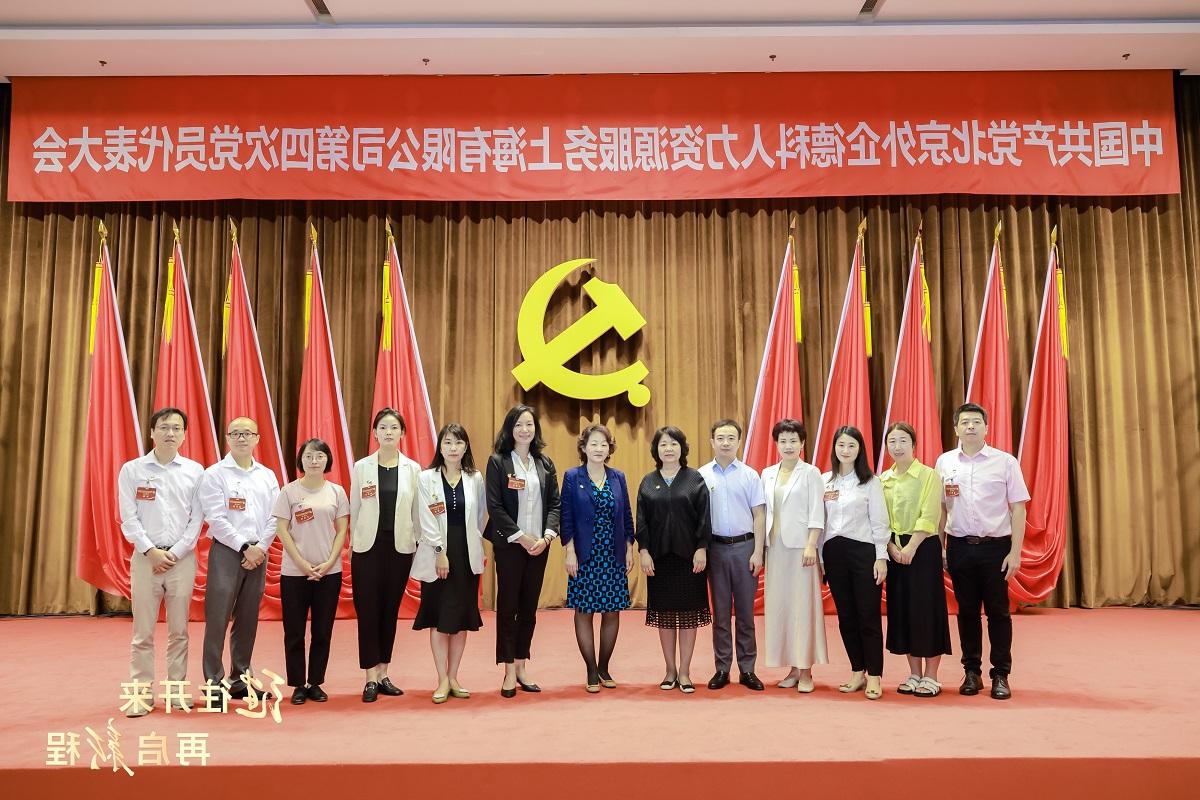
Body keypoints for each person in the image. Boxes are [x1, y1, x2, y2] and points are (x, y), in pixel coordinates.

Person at [935, 403, 1030, 701]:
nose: (971, 427)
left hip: (996, 548)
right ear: (956, 429)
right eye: (965, 422)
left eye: (976, 422)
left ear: (987, 428)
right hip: (960, 546)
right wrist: (940, 547)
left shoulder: (1005, 462)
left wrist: (1015, 552)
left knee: (998, 613)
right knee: (966, 612)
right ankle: (971, 672)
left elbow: (1018, 508)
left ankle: (1000, 673)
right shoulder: (945, 462)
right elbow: (939, 508)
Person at [117, 407, 205, 716]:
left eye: (177, 428)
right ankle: (141, 694)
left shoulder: (195, 471)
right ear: (152, 432)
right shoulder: (132, 470)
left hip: (181, 559)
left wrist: (178, 551)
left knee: (179, 630)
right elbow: (128, 518)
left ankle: (176, 691)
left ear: (184, 434)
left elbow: (197, 518)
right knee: (143, 632)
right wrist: (151, 551)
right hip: (145, 559)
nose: (170, 433)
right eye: (164, 427)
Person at [199, 416, 280, 701]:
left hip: (259, 554)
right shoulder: (214, 474)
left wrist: (260, 548)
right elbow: (215, 518)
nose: (242, 438)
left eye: (247, 433)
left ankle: (240, 678)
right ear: (227, 439)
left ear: (258, 438)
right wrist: (245, 546)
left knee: (248, 618)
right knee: (218, 618)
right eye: (235, 433)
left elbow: (275, 516)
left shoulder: (267, 475)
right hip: (227, 552)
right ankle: (213, 682)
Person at [485, 404, 561, 698]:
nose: (524, 430)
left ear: (535, 429)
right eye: (518, 425)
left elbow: (554, 503)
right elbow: (496, 506)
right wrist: (521, 537)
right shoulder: (499, 462)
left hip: (540, 547)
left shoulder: (545, 463)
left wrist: (546, 536)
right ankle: (506, 670)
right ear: (509, 429)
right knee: (508, 608)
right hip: (510, 546)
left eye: (529, 424)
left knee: (529, 609)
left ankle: (521, 665)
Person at [350, 408, 421, 703]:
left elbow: (418, 511)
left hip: (400, 549)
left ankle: (384, 673)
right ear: (375, 433)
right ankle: (369, 676)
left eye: (394, 427)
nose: (389, 432)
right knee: (367, 611)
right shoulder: (362, 467)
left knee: (389, 611)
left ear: (402, 433)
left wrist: (416, 542)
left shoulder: (413, 469)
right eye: (383, 427)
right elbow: (355, 509)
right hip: (367, 549)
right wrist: (356, 540)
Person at [271, 438, 349, 705]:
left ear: (327, 459)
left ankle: (315, 682)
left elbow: (342, 531)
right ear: (300, 461)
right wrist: (303, 565)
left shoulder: (337, 492)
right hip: (294, 572)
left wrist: (328, 563)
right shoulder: (289, 492)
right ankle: (297, 684)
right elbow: (282, 530)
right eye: (308, 456)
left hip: (329, 572)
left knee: (322, 630)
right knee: (293, 631)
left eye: (319, 456)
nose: (314, 461)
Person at [412, 423, 486, 704]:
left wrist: (475, 544)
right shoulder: (426, 477)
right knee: (438, 616)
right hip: (436, 554)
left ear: (466, 447)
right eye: (447, 443)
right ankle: (441, 678)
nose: (453, 448)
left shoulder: (474, 477)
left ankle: (454, 676)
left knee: (461, 618)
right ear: (439, 447)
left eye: (458, 443)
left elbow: (480, 516)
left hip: (466, 553)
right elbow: (425, 517)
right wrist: (440, 550)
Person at [636, 426, 711, 694]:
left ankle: (685, 672)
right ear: (656, 450)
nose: (669, 448)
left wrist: (702, 548)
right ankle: (669, 670)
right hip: (659, 560)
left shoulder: (694, 479)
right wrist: (643, 550)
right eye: (663, 444)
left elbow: (704, 517)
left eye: (674, 444)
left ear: (682, 448)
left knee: (689, 616)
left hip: (690, 559)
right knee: (666, 617)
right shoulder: (648, 481)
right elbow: (641, 520)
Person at [561, 423, 635, 693]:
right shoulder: (572, 476)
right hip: (584, 555)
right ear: (583, 447)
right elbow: (566, 517)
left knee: (612, 611)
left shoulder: (618, 477)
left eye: (603, 444)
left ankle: (604, 667)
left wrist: (629, 547)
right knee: (584, 611)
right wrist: (569, 551)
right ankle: (591, 669)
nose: (599, 448)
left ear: (609, 448)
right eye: (593, 443)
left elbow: (626, 515)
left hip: (613, 553)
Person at [881, 422, 952, 698]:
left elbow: (930, 514)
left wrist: (911, 547)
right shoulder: (883, 480)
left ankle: (932, 675)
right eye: (892, 442)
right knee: (902, 610)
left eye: (903, 441)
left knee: (927, 610)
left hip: (922, 548)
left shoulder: (928, 476)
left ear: (914, 445)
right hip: (894, 550)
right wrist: (890, 547)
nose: (897, 447)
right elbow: (879, 518)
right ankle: (913, 672)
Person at [821, 425, 890, 700]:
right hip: (834, 555)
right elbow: (820, 522)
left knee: (868, 615)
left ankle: (875, 676)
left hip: (864, 553)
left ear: (859, 449)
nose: (845, 450)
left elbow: (880, 522)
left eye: (851, 445)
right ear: (834, 448)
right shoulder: (825, 481)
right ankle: (857, 671)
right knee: (846, 617)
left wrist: (881, 557)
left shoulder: (870, 482)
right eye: (841, 445)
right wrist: (821, 558)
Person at [759, 418, 827, 694]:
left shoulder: (811, 473)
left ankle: (807, 669)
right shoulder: (766, 473)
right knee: (782, 608)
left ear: (802, 443)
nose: (788, 446)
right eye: (783, 440)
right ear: (776, 444)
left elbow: (816, 511)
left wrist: (812, 544)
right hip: (774, 549)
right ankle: (792, 667)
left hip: (802, 550)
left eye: (793, 440)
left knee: (803, 608)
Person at [698, 419, 766, 691]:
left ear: (739, 441)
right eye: (720, 438)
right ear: (712, 441)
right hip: (715, 549)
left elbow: (759, 515)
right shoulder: (701, 475)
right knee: (721, 613)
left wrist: (758, 551)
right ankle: (722, 668)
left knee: (747, 614)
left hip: (744, 548)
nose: (725, 443)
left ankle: (748, 669)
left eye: (731, 438)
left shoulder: (750, 475)